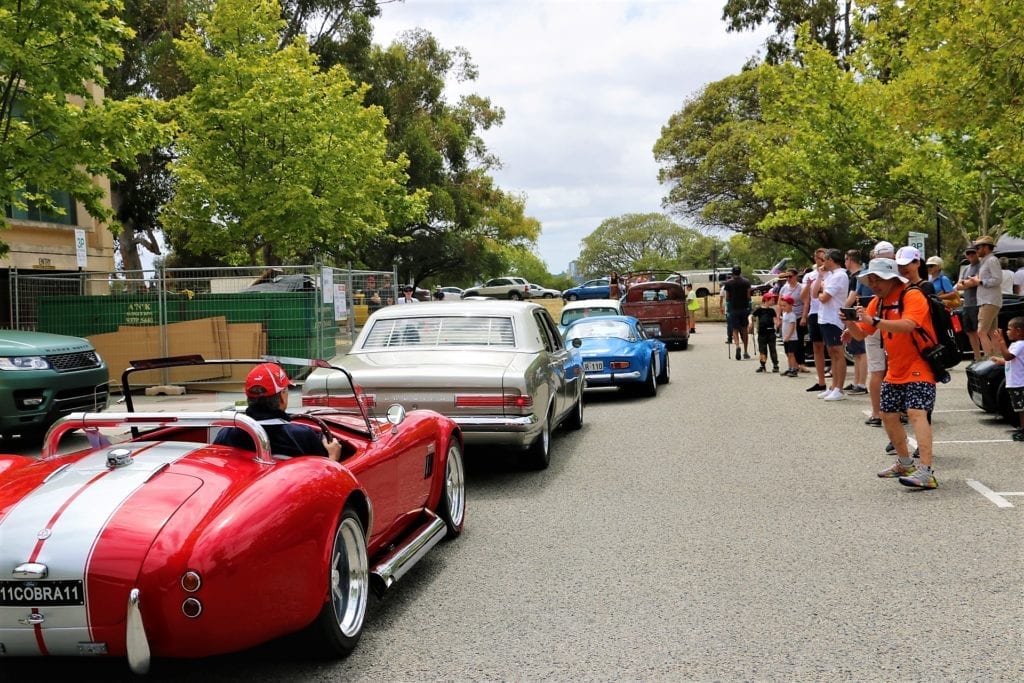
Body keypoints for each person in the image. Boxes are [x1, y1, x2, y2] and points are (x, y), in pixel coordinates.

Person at [844, 258, 939, 489]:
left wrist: (874, 320)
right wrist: (850, 323)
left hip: (920, 364)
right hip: (895, 368)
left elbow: (909, 325)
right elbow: (861, 334)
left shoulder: (912, 295)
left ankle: (926, 472)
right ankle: (905, 463)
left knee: (917, 413)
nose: (873, 284)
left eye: (878, 279)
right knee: (888, 415)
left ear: (892, 278)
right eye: (871, 280)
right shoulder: (876, 302)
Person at [214, 362, 343, 460]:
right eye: (286, 390)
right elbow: (321, 482)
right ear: (282, 396)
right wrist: (333, 457)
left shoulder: (227, 435)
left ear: (248, 398)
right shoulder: (303, 436)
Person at [863, 241, 896, 426]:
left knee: (881, 370)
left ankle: (879, 413)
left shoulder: (906, 292)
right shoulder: (877, 298)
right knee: (881, 370)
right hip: (876, 320)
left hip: (882, 322)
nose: (875, 283)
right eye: (872, 280)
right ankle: (882, 413)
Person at [816, 248, 849, 400]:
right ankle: (833, 386)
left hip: (834, 318)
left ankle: (839, 388)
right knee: (831, 352)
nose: (823, 263)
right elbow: (816, 293)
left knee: (837, 352)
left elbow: (823, 297)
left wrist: (821, 291)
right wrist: (820, 280)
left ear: (830, 260)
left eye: (825, 259)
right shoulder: (830, 275)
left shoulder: (840, 275)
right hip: (825, 317)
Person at [965, 235, 1003, 357]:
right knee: (992, 332)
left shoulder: (992, 260)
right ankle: (997, 358)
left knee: (981, 332)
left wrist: (980, 282)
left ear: (986, 247)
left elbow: (997, 279)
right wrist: (978, 280)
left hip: (989, 301)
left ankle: (989, 359)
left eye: (978, 247)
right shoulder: (986, 261)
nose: (976, 250)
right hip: (988, 300)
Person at [991, 317, 1024, 441]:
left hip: (1019, 383)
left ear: (1019, 331)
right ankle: (1022, 428)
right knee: (1020, 408)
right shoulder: (1016, 345)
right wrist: (1000, 361)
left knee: (1022, 409)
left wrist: (1001, 342)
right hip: (1015, 383)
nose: (1007, 332)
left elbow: (1009, 357)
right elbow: (1011, 360)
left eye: (1009, 329)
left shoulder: (1020, 344)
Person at [843, 249, 868, 395]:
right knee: (855, 352)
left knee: (860, 351)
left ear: (850, 259)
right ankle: (857, 382)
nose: (845, 262)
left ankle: (861, 384)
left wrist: (842, 309)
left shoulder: (858, 276)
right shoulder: (855, 276)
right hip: (853, 314)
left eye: (845, 259)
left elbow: (853, 296)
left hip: (856, 314)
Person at [803, 248, 829, 392]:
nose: (821, 261)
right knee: (817, 347)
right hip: (815, 312)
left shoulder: (833, 274)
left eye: (824, 259)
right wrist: (808, 285)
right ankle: (821, 382)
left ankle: (836, 383)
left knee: (832, 348)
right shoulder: (810, 275)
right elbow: (804, 296)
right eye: (819, 258)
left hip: (829, 313)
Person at [955, 245, 984, 361]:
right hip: (967, 304)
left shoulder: (981, 266)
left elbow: (976, 282)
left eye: (973, 252)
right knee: (969, 331)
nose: (971, 255)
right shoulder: (966, 268)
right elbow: (958, 286)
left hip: (978, 302)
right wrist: (968, 282)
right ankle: (977, 356)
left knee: (980, 331)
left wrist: (965, 283)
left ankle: (986, 354)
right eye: (968, 253)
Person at [722, 265, 752, 360]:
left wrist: (728, 307)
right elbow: (748, 296)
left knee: (735, 329)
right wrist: (749, 305)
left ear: (732, 272)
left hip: (733, 309)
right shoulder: (746, 282)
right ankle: (746, 351)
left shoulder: (728, 283)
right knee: (744, 330)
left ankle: (737, 346)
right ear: (740, 272)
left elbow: (727, 298)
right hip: (744, 308)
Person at [749, 292, 779, 373]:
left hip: (771, 332)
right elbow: (751, 315)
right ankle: (762, 365)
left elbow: (775, 319)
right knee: (762, 350)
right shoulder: (759, 309)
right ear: (766, 300)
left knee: (773, 349)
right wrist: (750, 322)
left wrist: (777, 324)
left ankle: (775, 365)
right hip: (762, 332)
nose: (773, 301)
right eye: (772, 300)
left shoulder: (772, 310)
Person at [779, 294, 801, 376]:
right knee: (787, 354)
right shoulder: (785, 314)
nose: (783, 308)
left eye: (784, 306)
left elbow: (792, 327)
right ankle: (790, 367)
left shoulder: (792, 315)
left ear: (791, 305)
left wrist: (788, 336)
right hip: (786, 338)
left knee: (791, 354)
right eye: (782, 306)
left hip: (792, 338)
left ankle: (794, 369)